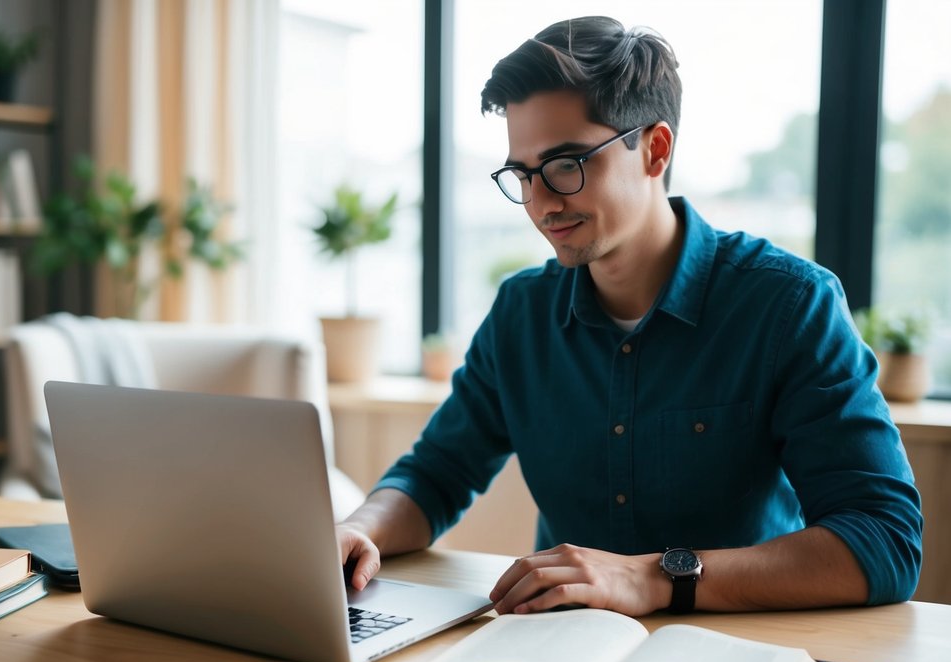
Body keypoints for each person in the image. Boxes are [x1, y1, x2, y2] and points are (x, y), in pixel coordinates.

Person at [335, 16, 922, 616]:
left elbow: (885, 540)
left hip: (743, 651)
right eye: (522, 174)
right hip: (556, 652)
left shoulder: (789, 305)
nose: (540, 202)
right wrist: (359, 529)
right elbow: (436, 474)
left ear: (655, 149)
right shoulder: (522, 311)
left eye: (566, 164)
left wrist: (653, 578)